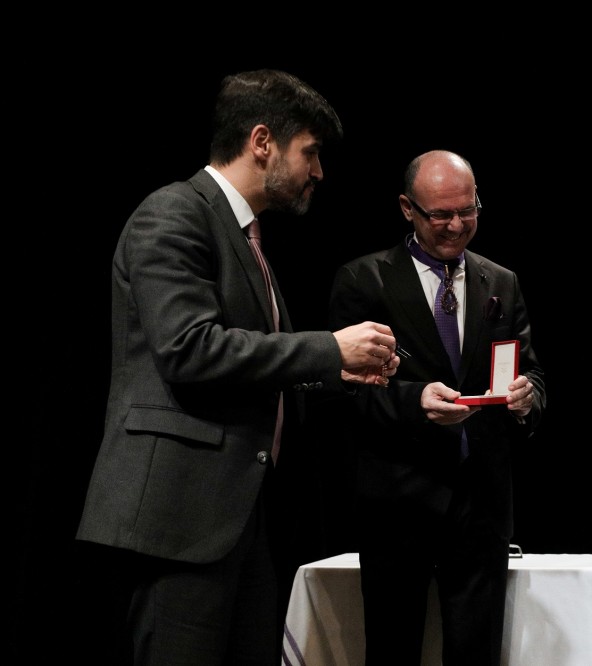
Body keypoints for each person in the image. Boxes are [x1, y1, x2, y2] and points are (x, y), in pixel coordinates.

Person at [74, 69, 401, 666]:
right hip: (180, 521)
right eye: (311, 152)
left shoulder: (244, 235)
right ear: (262, 142)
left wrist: (340, 373)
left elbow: (253, 365)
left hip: (237, 522)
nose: (319, 172)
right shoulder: (172, 213)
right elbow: (189, 349)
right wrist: (329, 349)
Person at [327, 149, 546, 665]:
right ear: (408, 208)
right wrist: (414, 401)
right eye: (441, 214)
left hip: (481, 505)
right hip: (397, 501)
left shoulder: (501, 281)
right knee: (393, 649)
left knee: (477, 653)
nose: (456, 225)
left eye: (467, 211)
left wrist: (527, 398)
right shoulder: (365, 280)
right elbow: (341, 391)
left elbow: (531, 372)